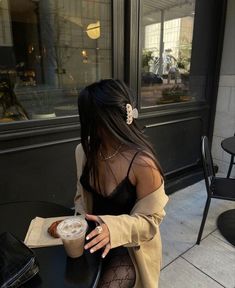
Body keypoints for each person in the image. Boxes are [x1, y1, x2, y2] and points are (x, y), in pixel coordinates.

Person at [74, 79, 168, 288]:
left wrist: (112, 229)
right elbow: (81, 196)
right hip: (91, 236)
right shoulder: (84, 152)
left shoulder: (143, 163)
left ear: (104, 120)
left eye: (88, 117)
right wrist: (78, 224)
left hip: (129, 247)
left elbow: (150, 221)